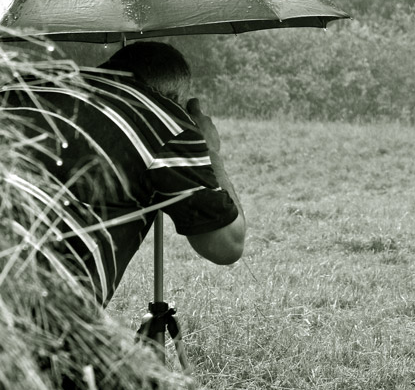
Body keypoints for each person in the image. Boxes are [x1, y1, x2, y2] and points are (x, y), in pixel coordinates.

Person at [1, 41, 246, 305]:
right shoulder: (165, 122)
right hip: (34, 306)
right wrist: (210, 150)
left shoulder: (22, 85)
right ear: (175, 98)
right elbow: (226, 245)